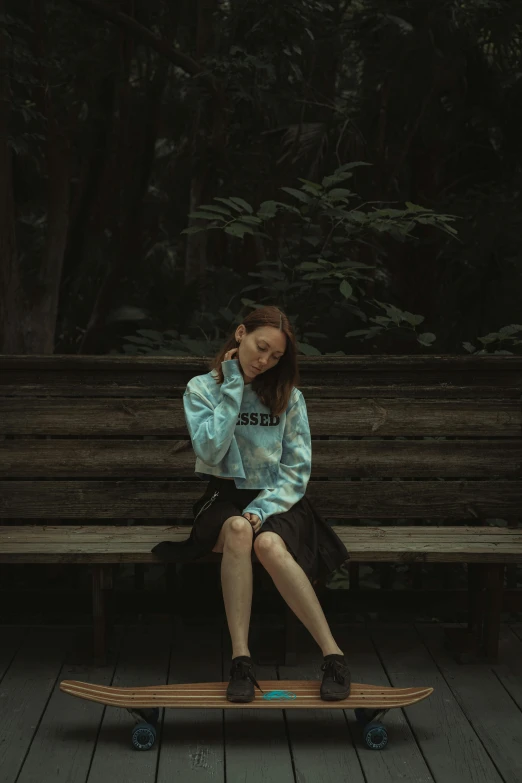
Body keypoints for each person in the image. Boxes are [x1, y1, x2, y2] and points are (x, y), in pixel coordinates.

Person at [152, 305, 351, 703]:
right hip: (222, 497)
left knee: (267, 542)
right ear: (240, 334)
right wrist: (231, 388)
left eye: (276, 356)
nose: (265, 361)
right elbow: (209, 449)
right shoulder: (201, 389)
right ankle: (241, 661)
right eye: (261, 348)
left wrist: (261, 509)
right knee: (240, 530)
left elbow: (297, 471)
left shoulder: (288, 397)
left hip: (278, 500)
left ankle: (333, 655)